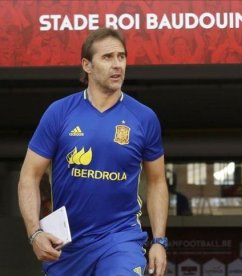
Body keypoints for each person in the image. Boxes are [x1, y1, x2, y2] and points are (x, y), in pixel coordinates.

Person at [17, 28, 169, 276]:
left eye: (121, 57)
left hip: (121, 240)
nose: (117, 64)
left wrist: (159, 241)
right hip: (67, 245)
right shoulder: (59, 112)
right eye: (107, 57)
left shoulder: (144, 118)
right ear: (87, 65)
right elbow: (29, 177)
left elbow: (157, 181)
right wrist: (35, 233)